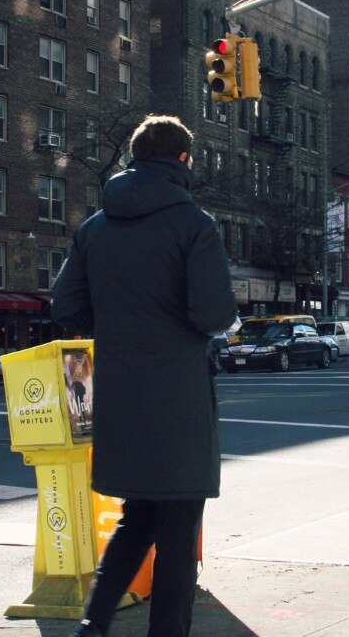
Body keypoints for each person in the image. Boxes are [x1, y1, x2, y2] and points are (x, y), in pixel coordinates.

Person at [52, 114, 237, 637]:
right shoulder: (195, 224)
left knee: (138, 518)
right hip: (178, 401)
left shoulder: (93, 227)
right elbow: (213, 316)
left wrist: (118, 329)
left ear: (135, 156)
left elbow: (66, 305)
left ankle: (92, 626)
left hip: (123, 397)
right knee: (178, 529)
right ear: (183, 160)